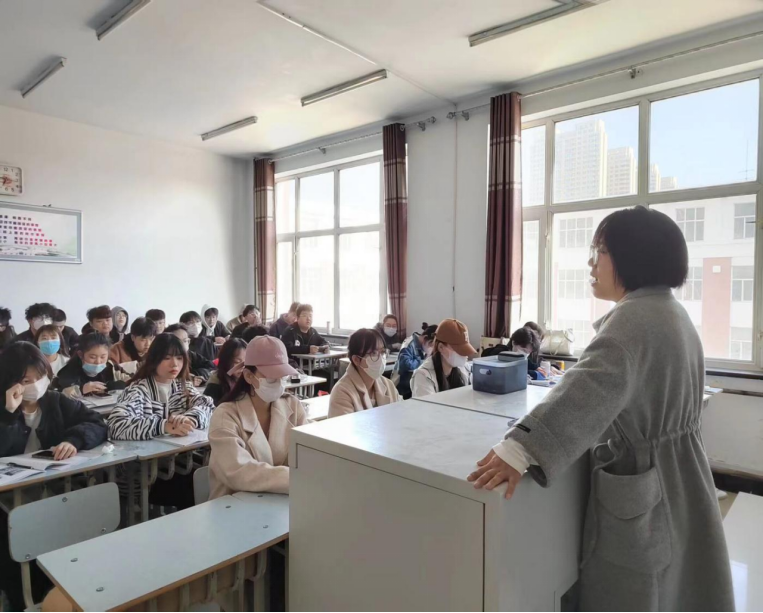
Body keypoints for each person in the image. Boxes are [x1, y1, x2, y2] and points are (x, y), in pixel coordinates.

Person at [467, 207, 734, 611]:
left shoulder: (633, 320)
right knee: (676, 584)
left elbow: (586, 389)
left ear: (634, 256)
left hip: (648, 482)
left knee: (634, 590)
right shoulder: (669, 310)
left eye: (601, 251)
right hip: (681, 471)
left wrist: (519, 448)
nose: (591, 263)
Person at [0, 342, 108, 611]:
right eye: (26, 380)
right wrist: (8, 415)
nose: (35, 385)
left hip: (51, 489)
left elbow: (97, 423)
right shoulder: (3, 407)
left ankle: (60, 593)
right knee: (14, 545)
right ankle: (21, 599)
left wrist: (73, 440)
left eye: (40, 377)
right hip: (7, 500)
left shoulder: (56, 401)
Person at [208, 336, 309, 498]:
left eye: (282, 376)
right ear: (248, 376)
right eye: (271, 377)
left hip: (279, 501)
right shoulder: (226, 415)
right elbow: (239, 471)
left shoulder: (293, 406)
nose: (279, 383)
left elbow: (309, 452)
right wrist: (298, 478)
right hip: (234, 504)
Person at [107, 334, 214, 441]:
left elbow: (209, 407)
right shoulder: (138, 390)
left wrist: (191, 418)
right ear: (154, 360)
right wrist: (163, 426)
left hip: (185, 450)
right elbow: (115, 426)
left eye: (179, 358)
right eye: (167, 358)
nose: (174, 364)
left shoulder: (182, 387)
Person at [328, 329, 399, 418]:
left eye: (382, 352)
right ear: (356, 360)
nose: (381, 358)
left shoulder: (388, 384)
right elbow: (343, 426)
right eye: (373, 353)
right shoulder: (342, 392)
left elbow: (401, 416)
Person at [411, 318, 475, 398]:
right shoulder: (423, 376)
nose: (464, 355)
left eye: (465, 350)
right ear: (441, 347)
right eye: (458, 350)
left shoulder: (464, 368)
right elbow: (428, 406)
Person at [53, 333, 129, 397]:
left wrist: (112, 386)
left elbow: (131, 380)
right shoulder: (68, 371)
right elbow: (59, 395)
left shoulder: (112, 367)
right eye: (93, 357)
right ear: (80, 355)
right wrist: (82, 389)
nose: (98, 361)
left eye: (103, 357)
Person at [394, 323, 437, 399]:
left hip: (415, 382)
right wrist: (425, 361)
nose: (431, 348)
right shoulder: (409, 344)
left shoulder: (424, 346)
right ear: (425, 338)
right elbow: (405, 364)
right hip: (402, 384)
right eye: (431, 345)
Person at [204, 338, 247, 406]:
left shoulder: (249, 379)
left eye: (246, 362)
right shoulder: (215, 383)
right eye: (237, 362)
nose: (242, 366)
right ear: (226, 361)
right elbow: (207, 407)